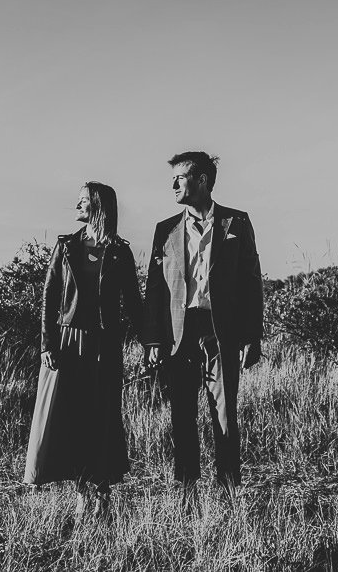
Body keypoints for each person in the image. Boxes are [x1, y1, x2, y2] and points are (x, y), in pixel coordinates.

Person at [142, 151, 263, 507]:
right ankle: (186, 493)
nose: (174, 184)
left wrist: (252, 336)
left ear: (203, 181)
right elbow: (155, 289)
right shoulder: (164, 230)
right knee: (182, 414)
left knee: (225, 413)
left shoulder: (236, 223)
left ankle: (228, 492)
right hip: (179, 333)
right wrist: (152, 339)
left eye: (181, 177)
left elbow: (251, 281)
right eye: (174, 178)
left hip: (220, 330)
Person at [23, 181, 143, 517]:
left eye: (83, 200)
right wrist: (47, 343)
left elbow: (134, 302)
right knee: (71, 418)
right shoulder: (65, 247)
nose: (77, 206)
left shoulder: (120, 251)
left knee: (101, 417)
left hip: (105, 344)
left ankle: (101, 491)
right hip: (68, 341)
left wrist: (152, 342)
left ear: (99, 206)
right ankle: (81, 492)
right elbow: (49, 299)